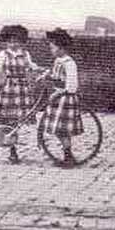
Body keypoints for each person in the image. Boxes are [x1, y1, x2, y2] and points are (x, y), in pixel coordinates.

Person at [0, 25, 43, 165]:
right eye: (11, 41)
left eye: (16, 40)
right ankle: (12, 151)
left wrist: (38, 69)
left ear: (21, 41)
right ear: (6, 42)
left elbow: (30, 65)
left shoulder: (25, 54)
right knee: (9, 121)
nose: (14, 43)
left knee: (18, 122)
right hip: (9, 89)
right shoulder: (3, 54)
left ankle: (2, 144)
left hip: (22, 89)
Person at [39, 28, 83, 168]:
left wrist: (60, 92)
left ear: (61, 47)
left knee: (62, 130)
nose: (51, 49)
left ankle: (69, 157)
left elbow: (71, 85)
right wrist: (45, 75)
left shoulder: (69, 63)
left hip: (65, 99)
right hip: (58, 97)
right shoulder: (59, 60)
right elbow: (54, 73)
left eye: (52, 46)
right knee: (58, 129)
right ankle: (67, 154)